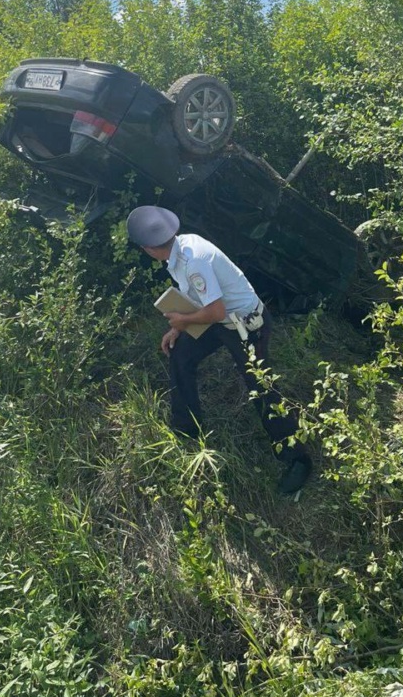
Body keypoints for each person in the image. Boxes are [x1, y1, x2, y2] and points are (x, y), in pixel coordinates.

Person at [126, 205, 312, 495]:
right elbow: (199, 298)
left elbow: (215, 310)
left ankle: (297, 458)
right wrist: (179, 328)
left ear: (149, 248)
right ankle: (187, 428)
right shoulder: (180, 249)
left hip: (247, 326)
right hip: (220, 321)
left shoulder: (193, 260)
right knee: (181, 352)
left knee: (261, 387)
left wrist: (183, 320)